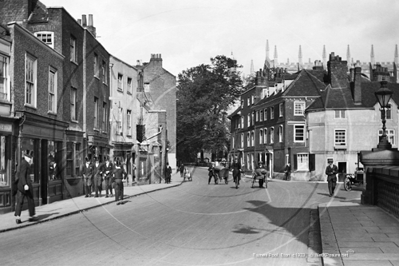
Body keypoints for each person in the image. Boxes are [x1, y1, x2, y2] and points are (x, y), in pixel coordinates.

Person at [14, 150, 36, 224]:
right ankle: (30, 216)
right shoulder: (24, 164)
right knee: (29, 200)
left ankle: (18, 217)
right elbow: (22, 175)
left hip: (22, 185)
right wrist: (25, 184)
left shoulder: (25, 163)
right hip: (25, 185)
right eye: (30, 157)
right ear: (26, 157)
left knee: (20, 201)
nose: (30, 159)